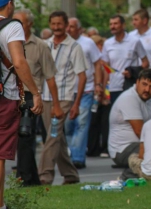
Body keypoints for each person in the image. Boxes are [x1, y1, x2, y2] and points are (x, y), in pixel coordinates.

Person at [0, 0, 43, 209]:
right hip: (3, 98)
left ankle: (0, 207)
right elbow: (19, 63)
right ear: (9, 4)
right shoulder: (12, 26)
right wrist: (35, 92)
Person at [13, 9, 64, 186]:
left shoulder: (41, 46)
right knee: (18, 139)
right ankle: (31, 177)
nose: (16, 25)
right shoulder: (9, 43)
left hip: (30, 96)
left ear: (30, 24)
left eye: (20, 22)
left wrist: (56, 105)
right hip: (10, 94)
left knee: (25, 135)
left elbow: (50, 77)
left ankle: (24, 179)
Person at [88, 14, 149, 161]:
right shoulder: (108, 43)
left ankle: (137, 146)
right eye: (111, 24)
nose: (112, 27)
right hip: (113, 87)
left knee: (132, 117)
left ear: (122, 25)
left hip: (130, 86)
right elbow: (104, 67)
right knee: (114, 118)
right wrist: (102, 87)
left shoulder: (135, 41)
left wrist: (134, 71)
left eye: (115, 23)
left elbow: (146, 63)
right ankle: (114, 149)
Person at [38, 11, 88, 185]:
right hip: (45, 96)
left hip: (64, 98)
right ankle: (71, 175)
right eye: (53, 24)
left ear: (66, 25)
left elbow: (82, 76)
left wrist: (76, 104)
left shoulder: (75, 47)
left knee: (51, 137)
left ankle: (44, 176)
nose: (56, 28)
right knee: (57, 137)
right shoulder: (45, 44)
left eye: (60, 24)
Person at [65, 17, 102, 169]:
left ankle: (78, 158)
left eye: (72, 26)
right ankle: (71, 154)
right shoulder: (62, 43)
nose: (69, 29)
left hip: (86, 89)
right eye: (68, 26)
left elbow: (98, 63)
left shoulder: (88, 43)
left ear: (79, 29)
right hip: (67, 91)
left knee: (81, 123)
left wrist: (99, 84)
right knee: (68, 125)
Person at [109, 69, 151, 179]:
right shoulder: (129, 98)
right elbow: (140, 132)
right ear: (137, 82)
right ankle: (127, 176)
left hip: (140, 144)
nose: (147, 89)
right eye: (144, 84)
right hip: (122, 149)